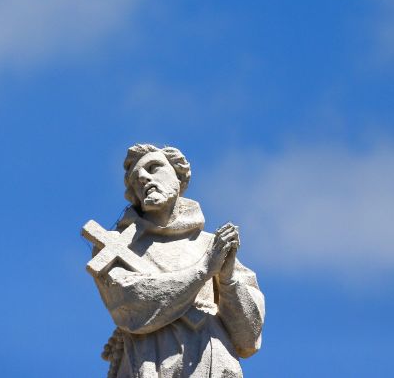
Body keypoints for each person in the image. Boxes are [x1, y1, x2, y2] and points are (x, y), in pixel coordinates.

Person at [90, 144, 264, 378]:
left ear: (179, 176)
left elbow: (248, 338)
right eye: (136, 179)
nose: (143, 179)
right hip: (151, 360)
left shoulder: (211, 245)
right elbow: (131, 304)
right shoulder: (116, 247)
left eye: (154, 168)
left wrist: (227, 277)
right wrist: (203, 270)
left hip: (212, 360)